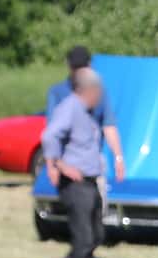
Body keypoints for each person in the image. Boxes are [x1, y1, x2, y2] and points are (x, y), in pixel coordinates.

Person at [42, 67, 110, 258]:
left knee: (96, 232)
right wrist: (60, 165)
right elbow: (50, 135)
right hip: (75, 182)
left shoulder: (87, 112)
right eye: (98, 92)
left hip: (90, 180)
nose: (99, 97)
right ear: (87, 90)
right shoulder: (70, 108)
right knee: (84, 236)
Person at [46, 45, 124, 180]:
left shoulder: (99, 92)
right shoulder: (58, 93)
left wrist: (118, 157)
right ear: (69, 67)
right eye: (77, 68)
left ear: (90, 65)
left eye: (83, 67)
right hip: (67, 167)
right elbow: (51, 134)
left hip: (93, 166)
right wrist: (52, 166)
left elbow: (109, 126)